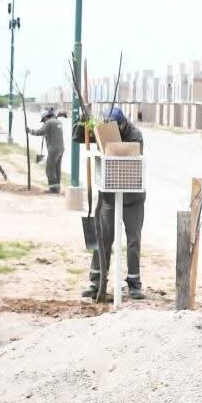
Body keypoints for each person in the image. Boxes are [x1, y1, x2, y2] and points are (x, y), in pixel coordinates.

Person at [85, 106, 146, 301]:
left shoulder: (135, 135)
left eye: (118, 129)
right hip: (109, 196)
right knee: (102, 238)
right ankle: (96, 282)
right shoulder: (103, 132)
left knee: (133, 240)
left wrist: (111, 146)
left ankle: (134, 284)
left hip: (132, 197)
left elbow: (127, 157)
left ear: (123, 124)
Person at [25, 108, 65, 193]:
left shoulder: (49, 122)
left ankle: (53, 189)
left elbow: (40, 132)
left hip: (53, 149)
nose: (43, 122)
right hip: (61, 149)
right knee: (57, 168)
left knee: (49, 169)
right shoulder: (58, 122)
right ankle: (57, 188)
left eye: (43, 120)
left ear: (45, 117)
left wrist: (30, 131)